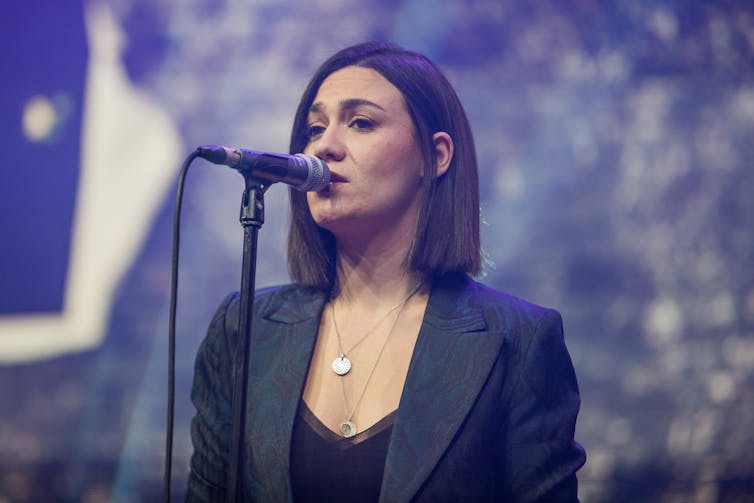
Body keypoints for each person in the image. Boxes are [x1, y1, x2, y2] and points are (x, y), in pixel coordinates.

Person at [186, 41, 586, 502]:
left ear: (435, 156)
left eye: (361, 123)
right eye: (314, 128)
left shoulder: (518, 340)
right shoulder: (245, 330)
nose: (325, 146)